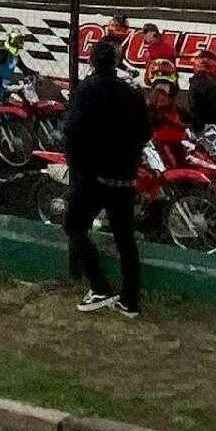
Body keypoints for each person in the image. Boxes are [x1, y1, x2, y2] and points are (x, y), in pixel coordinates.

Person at [63, 39, 150, 316]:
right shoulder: (131, 91)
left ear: (91, 61)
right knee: (125, 238)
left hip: (92, 176)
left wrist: (77, 165)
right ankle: (130, 301)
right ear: (116, 62)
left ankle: (99, 286)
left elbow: (71, 132)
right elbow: (145, 131)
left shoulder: (85, 90)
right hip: (124, 176)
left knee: (75, 226)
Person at [0, 28, 34, 98]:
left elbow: (24, 69)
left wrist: (34, 74)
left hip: (6, 85)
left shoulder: (16, 56)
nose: (20, 43)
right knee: (17, 101)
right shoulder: (3, 52)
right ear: (11, 40)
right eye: (17, 40)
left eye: (21, 40)